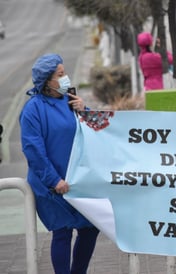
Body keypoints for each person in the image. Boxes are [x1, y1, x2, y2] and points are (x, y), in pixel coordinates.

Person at [19, 53, 100, 274]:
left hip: (77, 178)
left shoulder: (71, 101)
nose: (66, 79)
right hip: (51, 184)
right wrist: (54, 179)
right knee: (62, 231)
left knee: (90, 228)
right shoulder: (33, 110)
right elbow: (33, 149)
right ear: (47, 81)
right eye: (61, 75)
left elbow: (96, 131)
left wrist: (85, 111)